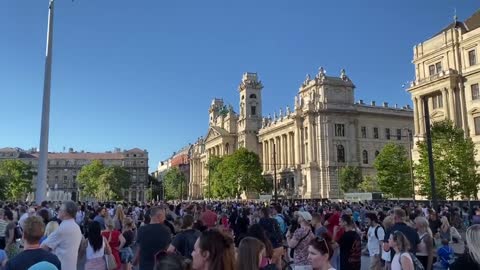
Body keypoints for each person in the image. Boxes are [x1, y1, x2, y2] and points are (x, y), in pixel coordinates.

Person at [41, 200, 83, 270]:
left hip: (61, 267)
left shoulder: (63, 229)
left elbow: (44, 246)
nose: (58, 211)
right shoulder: (76, 227)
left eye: (60, 209)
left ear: (66, 212)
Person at [134, 206, 173, 270]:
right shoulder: (166, 230)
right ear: (159, 216)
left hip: (144, 265)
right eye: (164, 216)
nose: (165, 218)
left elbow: (139, 248)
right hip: (160, 265)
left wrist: (135, 261)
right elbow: (168, 249)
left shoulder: (141, 229)